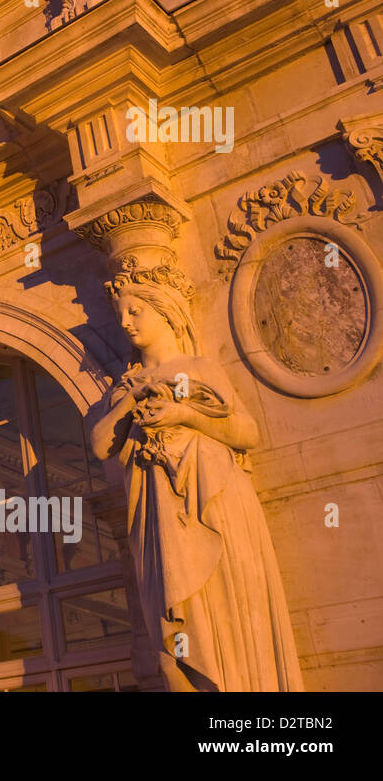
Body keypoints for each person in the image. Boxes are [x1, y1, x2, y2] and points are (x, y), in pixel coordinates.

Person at [90, 257, 304, 691]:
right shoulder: (125, 387)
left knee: (223, 613)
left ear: (165, 311)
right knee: (170, 639)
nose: (125, 322)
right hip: (156, 514)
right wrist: (133, 398)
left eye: (135, 311)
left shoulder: (199, 369)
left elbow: (247, 432)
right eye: (120, 315)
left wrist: (184, 414)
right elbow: (100, 445)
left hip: (212, 501)